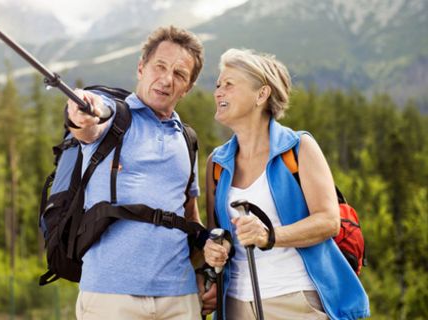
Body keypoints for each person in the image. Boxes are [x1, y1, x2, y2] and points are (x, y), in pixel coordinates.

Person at [201, 48, 370, 319]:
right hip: (234, 303)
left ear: (261, 94)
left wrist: (269, 236)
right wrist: (214, 249)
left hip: (296, 299)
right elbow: (216, 232)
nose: (218, 92)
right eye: (218, 85)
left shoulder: (298, 148)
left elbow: (328, 221)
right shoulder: (217, 163)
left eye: (229, 84)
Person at [66, 26, 206, 320]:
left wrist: (204, 273)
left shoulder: (187, 140)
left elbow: (191, 217)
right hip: (110, 296)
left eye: (179, 74)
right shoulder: (115, 118)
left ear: (188, 86)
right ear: (141, 67)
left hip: (180, 298)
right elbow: (91, 122)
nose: (167, 80)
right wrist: (82, 111)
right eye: (160, 66)